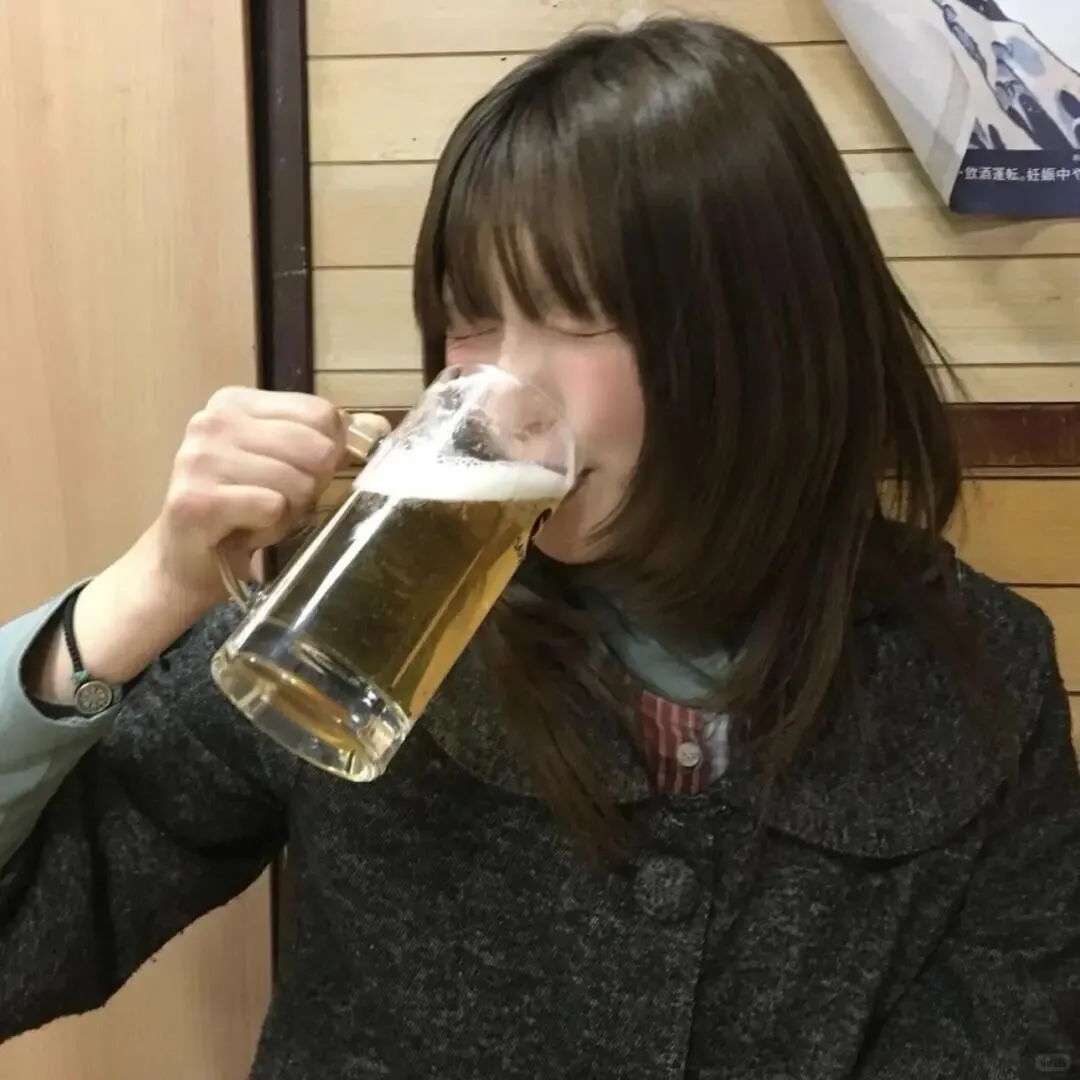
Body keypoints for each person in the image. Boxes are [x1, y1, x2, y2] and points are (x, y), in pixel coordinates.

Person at [1, 17, 1078, 1079]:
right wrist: (149, 587)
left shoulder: (979, 680)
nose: (505, 387)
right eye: (471, 319)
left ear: (763, 330)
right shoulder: (367, 603)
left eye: (575, 312)